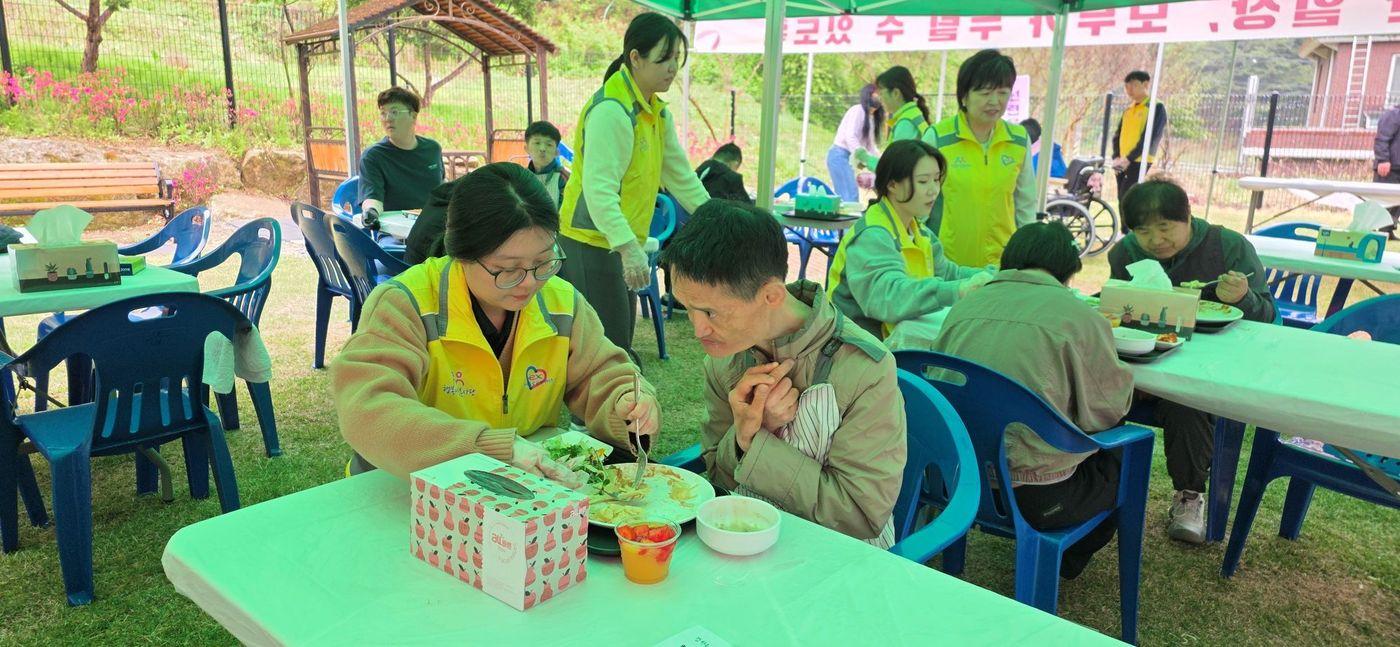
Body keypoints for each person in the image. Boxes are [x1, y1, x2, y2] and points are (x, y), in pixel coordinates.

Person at [330, 162, 661, 481]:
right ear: (460, 254)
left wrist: (626, 404)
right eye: (508, 270)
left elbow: (598, 373)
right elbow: (369, 408)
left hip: (513, 490)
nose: (530, 282)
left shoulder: (560, 303)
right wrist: (489, 448)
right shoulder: (407, 303)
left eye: (544, 262)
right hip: (401, 489)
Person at [661, 200, 906, 547]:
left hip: (841, 559)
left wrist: (755, 443)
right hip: (746, 542)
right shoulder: (725, 358)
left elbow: (860, 516)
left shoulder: (864, 369)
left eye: (711, 313)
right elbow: (718, 477)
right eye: (687, 309)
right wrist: (744, 436)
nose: (698, 330)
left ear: (772, 295)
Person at [933, 221, 1134, 579]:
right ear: (1069, 270)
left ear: (1011, 260)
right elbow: (1109, 408)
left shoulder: (964, 307)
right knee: (1128, 452)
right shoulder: (1080, 318)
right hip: (1038, 499)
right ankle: (1067, 560)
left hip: (956, 480)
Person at [1108, 179, 1275, 544]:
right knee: (1091, 383)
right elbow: (1116, 307)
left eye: (1165, 227)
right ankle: (1092, 483)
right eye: (1143, 230)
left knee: (1188, 402)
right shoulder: (1125, 255)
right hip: (1139, 360)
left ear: (1187, 218)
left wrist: (1244, 298)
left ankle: (1189, 494)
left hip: (1205, 367)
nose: (1155, 240)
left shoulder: (1228, 247)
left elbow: (1268, 317)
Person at [557, 12, 710, 360]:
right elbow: (599, 191)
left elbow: (680, 175)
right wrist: (628, 248)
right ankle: (591, 414)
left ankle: (602, 410)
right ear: (635, 59)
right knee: (607, 345)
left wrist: (715, 214)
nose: (672, 68)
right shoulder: (613, 111)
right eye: (663, 59)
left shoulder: (656, 112)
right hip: (591, 241)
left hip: (619, 241)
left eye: (676, 59)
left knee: (618, 338)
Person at [827, 139, 991, 339]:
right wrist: (956, 290)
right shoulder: (873, 235)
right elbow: (888, 298)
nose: (933, 190)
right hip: (851, 349)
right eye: (923, 181)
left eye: (937, 179)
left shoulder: (919, 232)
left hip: (888, 347)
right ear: (892, 184)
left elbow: (948, 273)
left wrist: (994, 277)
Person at [928, 49, 1037, 267]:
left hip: (1003, 263)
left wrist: (1027, 253)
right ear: (964, 96)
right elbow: (918, 204)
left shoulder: (1018, 139)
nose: (995, 102)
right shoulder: (938, 138)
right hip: (950, 265)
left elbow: (1026, 204)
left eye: (1003, 92)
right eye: (985, 93)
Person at [358, 87, 444, 231]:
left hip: (434, 228)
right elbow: (373, 199)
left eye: (394, 112)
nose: (387, 118)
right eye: (383, 113)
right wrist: (370, 212)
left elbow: (441, 190)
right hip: (394, 233)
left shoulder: (433, 149)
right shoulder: (373, 156)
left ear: (413, 115)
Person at [1112, 70, 1169, 230]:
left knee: (1128, 196)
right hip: (1122, 161)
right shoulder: (1129, 109)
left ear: (1145, 85)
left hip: (1138, 160)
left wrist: (1129, 158)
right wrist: (1116, 156)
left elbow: (1150, 137)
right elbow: (1118, 134)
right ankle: (1125, 231)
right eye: (1127, 86)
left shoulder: (1155, 107)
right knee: (1120, 196)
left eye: (1134, 85)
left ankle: (1131, 231)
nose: (1130, 90)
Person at [850, 66, 933, 171]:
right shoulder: (912, 115)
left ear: (896, 93)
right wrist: (868, 162)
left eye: (882, 94)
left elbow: (894, 169)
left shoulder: (905, 123)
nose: (880, 99)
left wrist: (866, 159)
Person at [826, 84, 884, 202]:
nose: (879, 97)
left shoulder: (871, 119)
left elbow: (871, 146)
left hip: (848, 158)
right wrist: (861, 154)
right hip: (839, 155)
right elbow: (850, 136)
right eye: (876, 93)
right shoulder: (857, 110)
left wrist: (882, 161)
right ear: (868, 95)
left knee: (849, 197)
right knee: (850, 197)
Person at [525, 120, 570, 209]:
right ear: (527, 149)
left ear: (557, 152)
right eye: (537, 143)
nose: (542, 149)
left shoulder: (564, 177)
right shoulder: (521, 177)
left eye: (549, 145)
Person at [1373, 102, 1400, 238]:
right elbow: (1382, 139)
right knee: (1382, 199)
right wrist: (1383, 160)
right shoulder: (1393, 114)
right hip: (1390, 167)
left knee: (1396, 202)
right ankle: (1371, 228)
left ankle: (1387, 229)